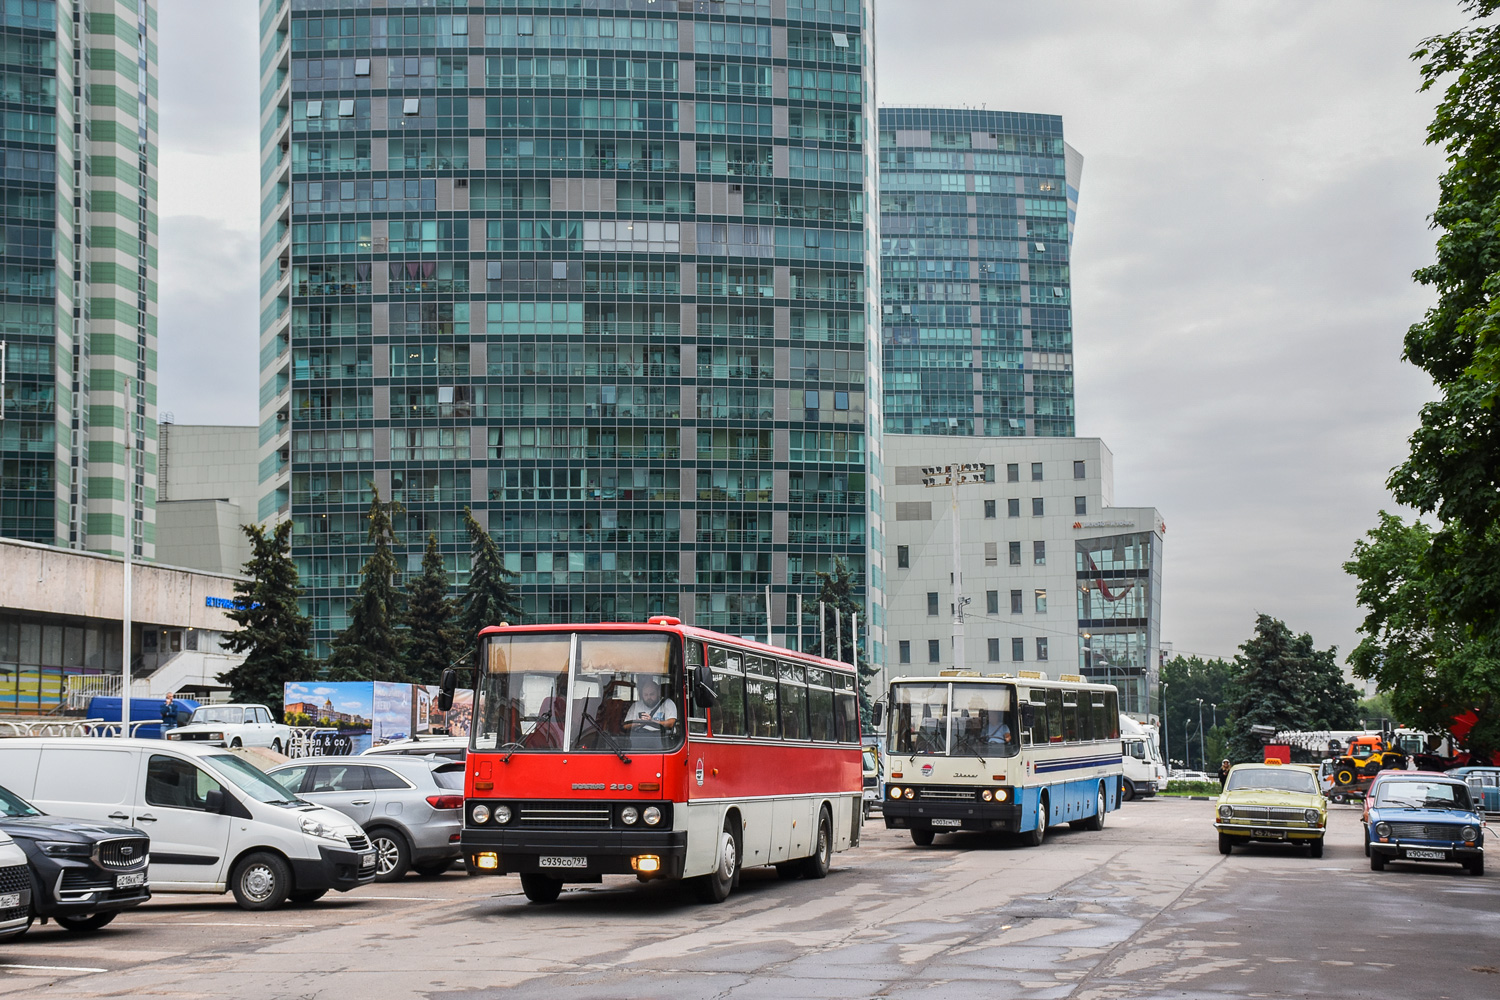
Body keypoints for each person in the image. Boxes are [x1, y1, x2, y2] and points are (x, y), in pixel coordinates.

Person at [624, 675, 678, 745]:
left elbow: (671, 723)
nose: (649, 697)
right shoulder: (636, 705)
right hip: (639, 739)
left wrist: (651, 721)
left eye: (652, 694)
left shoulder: (668, 703)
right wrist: (638, 722)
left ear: (658, 693)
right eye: (646, 695)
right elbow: (625, 726)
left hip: (662, 740)